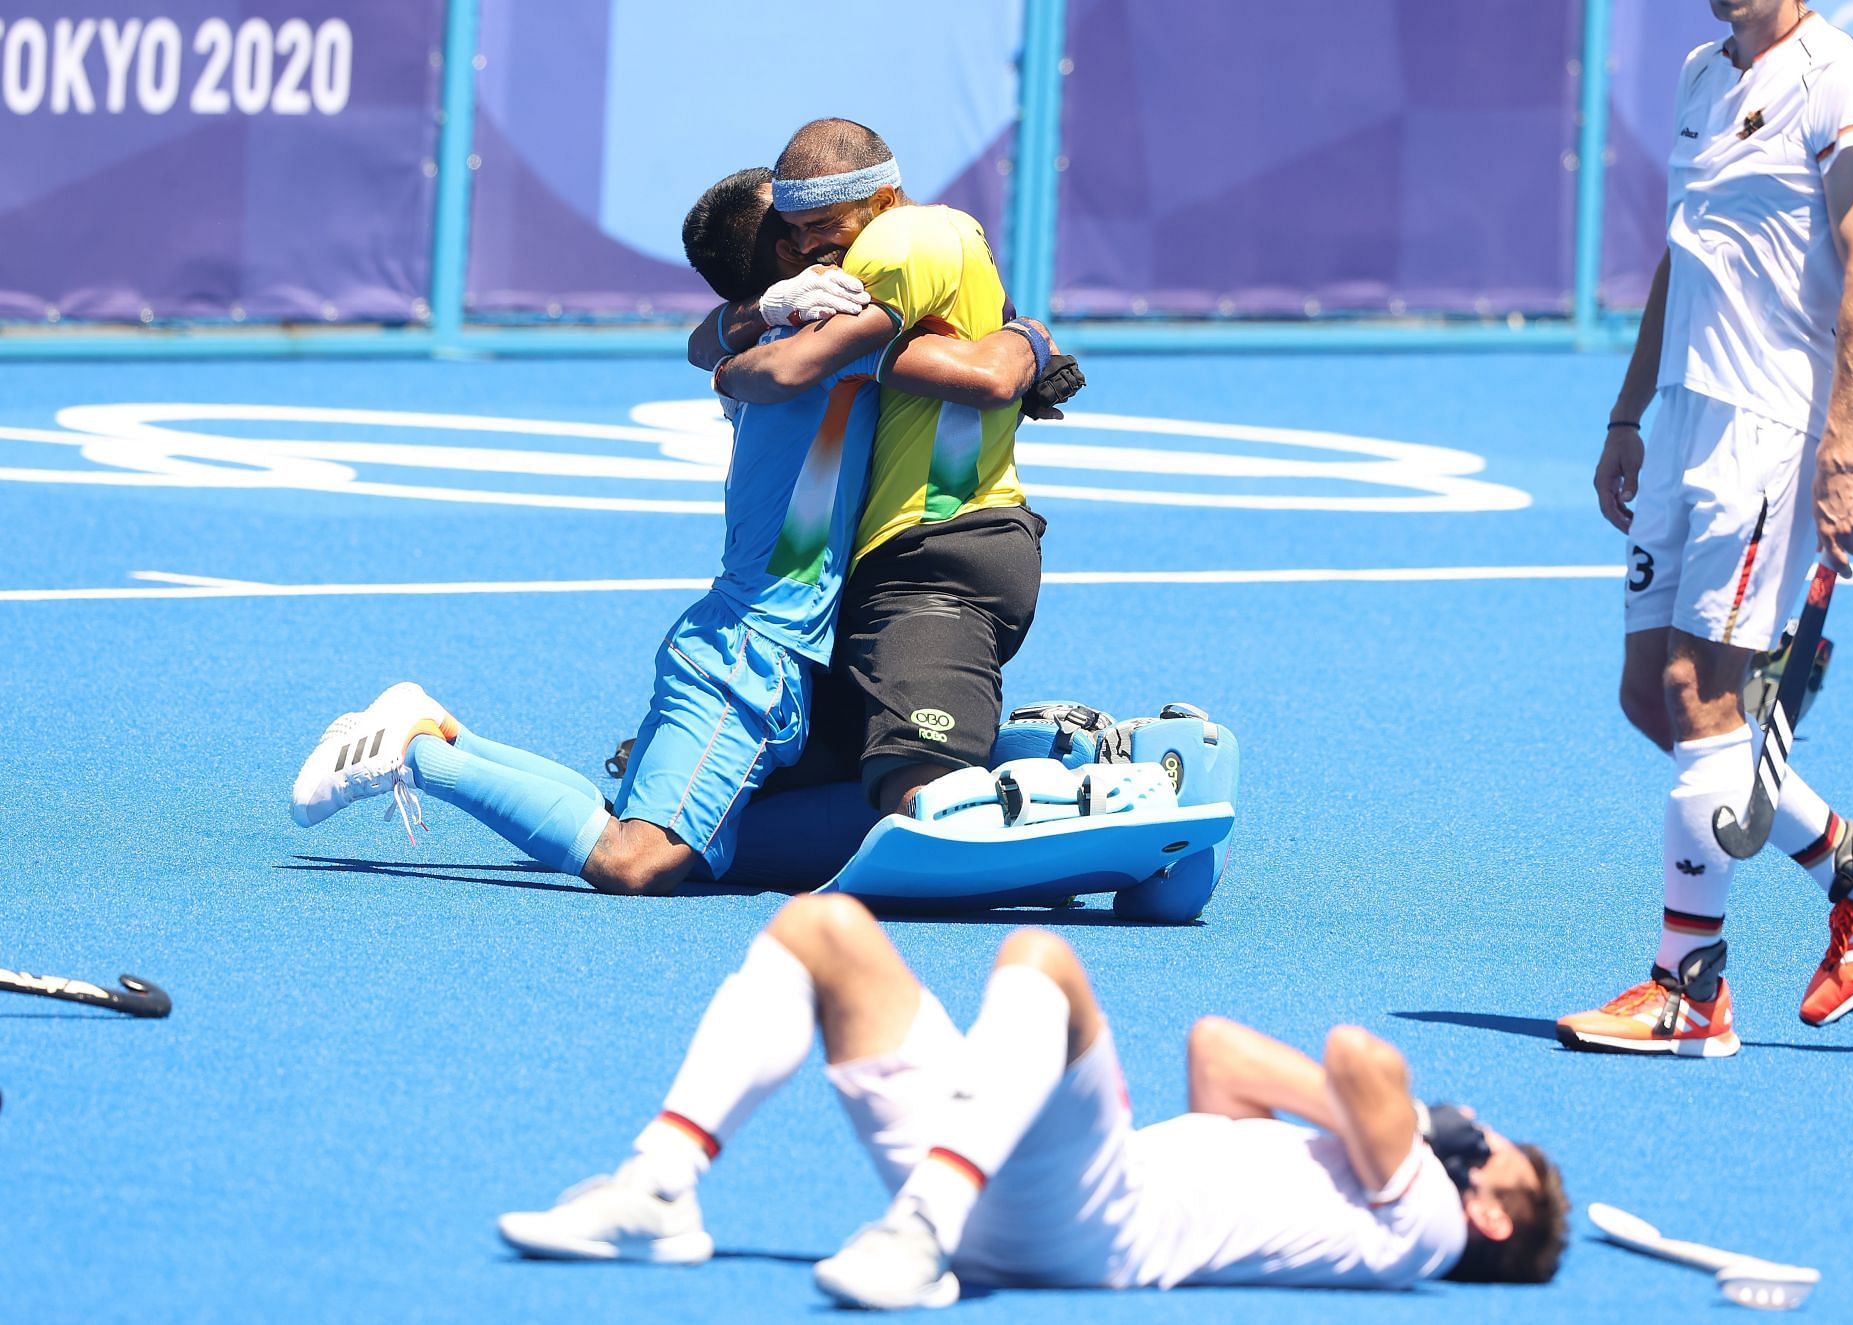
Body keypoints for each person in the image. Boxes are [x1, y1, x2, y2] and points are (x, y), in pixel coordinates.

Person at [286, 168, 1069, 897]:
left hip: (778, 651)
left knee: (665, 828)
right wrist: (1032, 340)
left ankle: (438, 728)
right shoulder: (822, 347)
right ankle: (413, 753)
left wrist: (750, 321)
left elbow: (708, 341)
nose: (841, 240)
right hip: (748, 650)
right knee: (639, 860)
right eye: (806, 229)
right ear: (790, 259)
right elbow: (980, 371)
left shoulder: (783, 331)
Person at [495, 894, 1566, 1305]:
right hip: (1035, 1187)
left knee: (1042, 957)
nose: (1483, 1141)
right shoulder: (1360, 1181)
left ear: (1489, 1212)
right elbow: (1218, 1051)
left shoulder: (1423, 1223)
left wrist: (1421, 1125)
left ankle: (920, 1226)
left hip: (1105, 1221)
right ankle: (662, 1183)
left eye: (1497, 1156)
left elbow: (1355, 1053)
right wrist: (1376, 1117)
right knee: (822, 929)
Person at [1561, 0, 1853, 1055]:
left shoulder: (1846, 84)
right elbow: (1684, 258)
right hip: (1681, 419)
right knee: (1651, 697)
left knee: (1699, 694)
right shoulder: (1698, 74)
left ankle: (1690, 990)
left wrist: (1842, 454)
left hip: (1768, 432)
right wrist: (1630, 412)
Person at [688, 118, 1055, 821]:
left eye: (821, 224)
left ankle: (1087, 789)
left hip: (934, 555)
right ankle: (1040, 758)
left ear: (883, 202)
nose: (807, 247)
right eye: (791, 234)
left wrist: (730, 368)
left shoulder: (894, 246)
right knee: (764, 799)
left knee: (916, 794)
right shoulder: (876, 276)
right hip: (866, 578)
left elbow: (983, 377)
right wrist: (1033, 339)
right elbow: (707, 338)